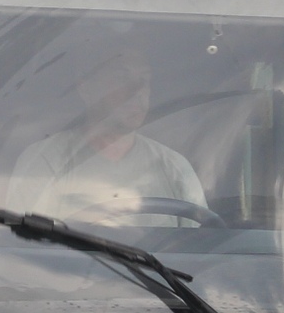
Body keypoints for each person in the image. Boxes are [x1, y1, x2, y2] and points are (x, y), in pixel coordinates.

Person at [11, 50, 206, 227]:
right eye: (122, 78)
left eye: (144, 80)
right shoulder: (45, 160)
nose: (137, 91)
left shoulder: (174, 167)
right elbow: (25, 249)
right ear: (86, 88)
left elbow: (199, 254)